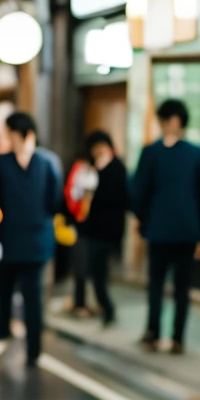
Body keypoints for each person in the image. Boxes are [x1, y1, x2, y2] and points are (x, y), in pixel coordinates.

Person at [132, 98, 200, 354]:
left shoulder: (152, 153)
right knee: (178, 287)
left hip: (163, 231)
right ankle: (173, 336)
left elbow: (138, 192)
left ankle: (158, 333)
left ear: (174, 121)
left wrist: (144, 222)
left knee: (160, 285)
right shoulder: (196, 154)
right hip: (184, 231)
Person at [0, 111, 62, 364]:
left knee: (32, 297)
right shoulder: (1, 163)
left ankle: (34, 350)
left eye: (11, 135)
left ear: (27, 135)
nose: (8, 140)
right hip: (5, 241)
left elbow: (54, 202)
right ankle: (2, 334)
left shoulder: (47, 163)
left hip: (36, 243)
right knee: (2, 294)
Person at [72, 130, 127, 326]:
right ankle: (103, 308)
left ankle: (107, 309)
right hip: (90, 229)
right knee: (92, 272)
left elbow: (121, 199)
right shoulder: (89, 169)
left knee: (100, 273)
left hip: (108, 230)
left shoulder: (117, 168)